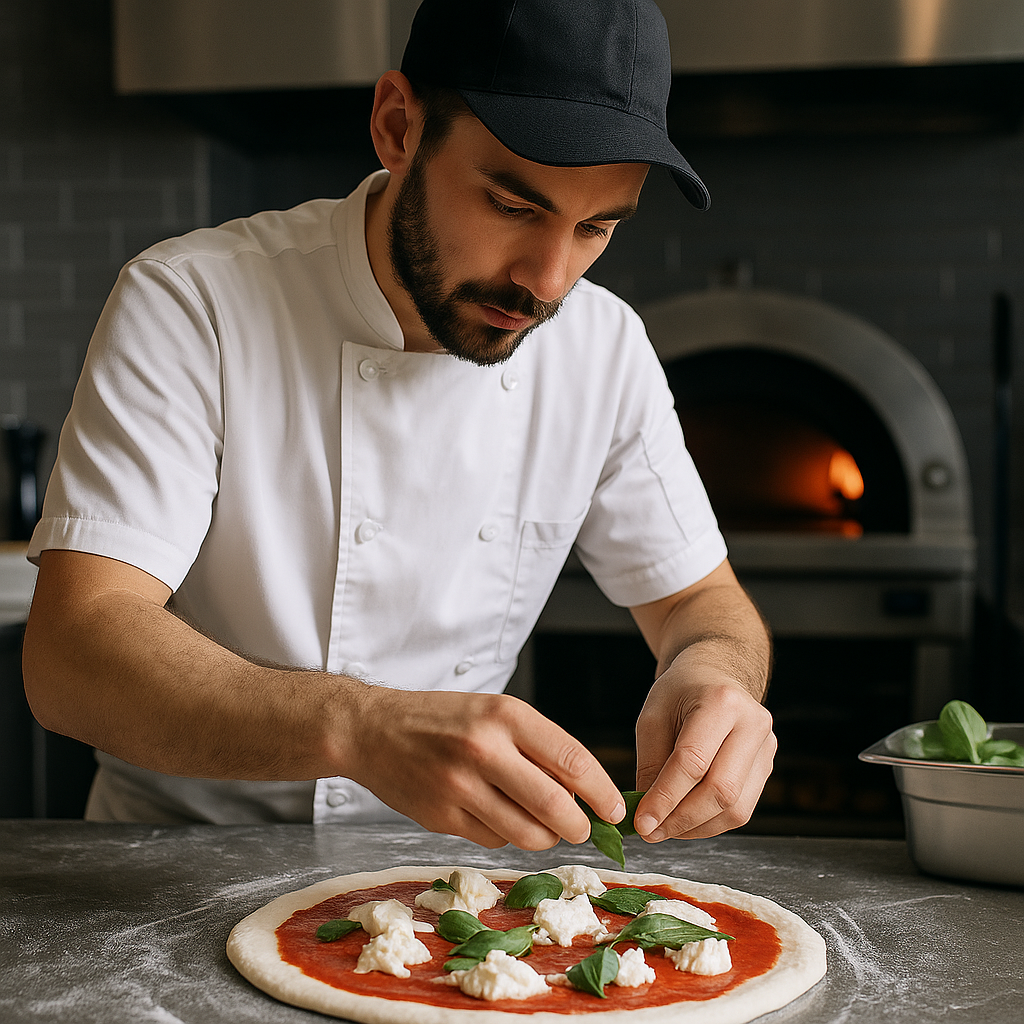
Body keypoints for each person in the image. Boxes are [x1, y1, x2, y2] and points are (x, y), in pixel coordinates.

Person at [21, 0, 774, 849]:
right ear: (396, 127)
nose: (549, 281)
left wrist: (717, 675)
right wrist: (359, 727)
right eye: (512, 206)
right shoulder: (194, 302)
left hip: (442, 886)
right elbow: (71, 655)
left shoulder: (603, 350)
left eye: (595, 227)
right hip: (168, 862)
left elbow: (702, 602)